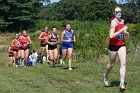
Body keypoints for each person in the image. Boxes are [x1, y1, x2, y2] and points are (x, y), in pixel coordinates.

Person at [103, 6, 129, 91]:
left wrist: (125, 32)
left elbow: (121, 31)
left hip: (122, 44)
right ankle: (106, 75)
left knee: (123, 63)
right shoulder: (113, 22)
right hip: (113, 45)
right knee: (111, 64)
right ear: (114, 13)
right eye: (117, 11)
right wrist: (121, 30)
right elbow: (111, 36)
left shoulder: (122, 21)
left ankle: (122, 83)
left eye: (120, 11)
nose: (119, 13)